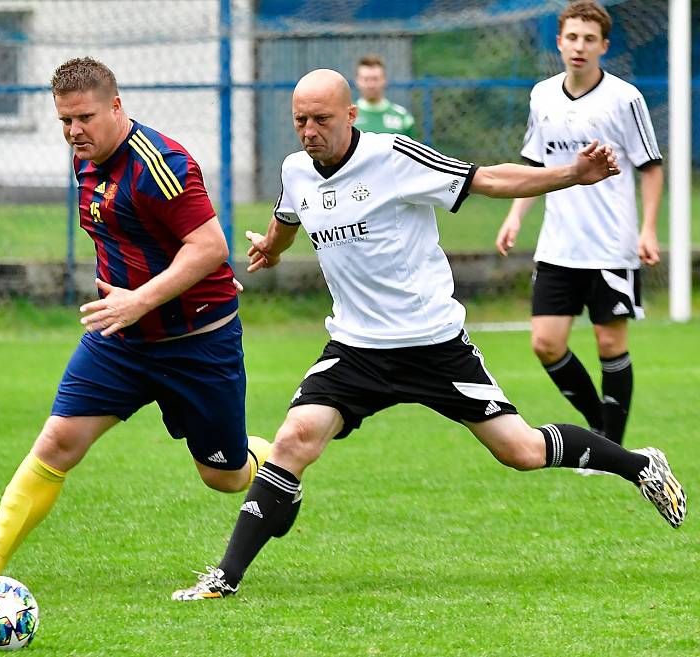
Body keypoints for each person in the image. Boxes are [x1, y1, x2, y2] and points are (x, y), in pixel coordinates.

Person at [170, 68, 685, 601]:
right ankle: (224, 579)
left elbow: (487, 179)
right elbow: (288, 214)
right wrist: (272, 250)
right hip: (356, 349)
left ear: (350, 116)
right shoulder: (297, 169)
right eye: (300, 120)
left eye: (322, 119)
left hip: (433, 345)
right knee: (294, 438)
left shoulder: (394, 156)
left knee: (521, 451)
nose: (309, 131)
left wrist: (570, 175)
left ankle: (640, 464)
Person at [0, 57, 270, 590]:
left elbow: (209, 245)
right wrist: (132, 300)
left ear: (116, 105)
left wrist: (153, 295)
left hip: (196, 344)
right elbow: (127, 236)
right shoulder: (85, 159)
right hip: (120, 339)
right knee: (58, 440)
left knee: (222, 476)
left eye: (84, 117)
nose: (73, 132)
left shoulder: (164, 165)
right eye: (64, 120)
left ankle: (274, 462)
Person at [495, 1, 663, 450]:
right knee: (546, 343)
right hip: (558, 247)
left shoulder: (625, 98)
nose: (579, 46)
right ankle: (600, 428)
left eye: (589, 39)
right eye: (572, 37)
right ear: (559, 42)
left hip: (612, 246)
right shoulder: (542, 95)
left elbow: (650, 166)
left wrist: (648, 229)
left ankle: (610, 442)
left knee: (610, 344)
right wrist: (514, 217)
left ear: (604, 46)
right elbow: (534, 165)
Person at [353, 54, 415, 137]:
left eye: (375, 79)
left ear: (384, 80)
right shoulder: (347, 116)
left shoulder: (403, 118)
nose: (371, 85)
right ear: (357, 81)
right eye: (366, 79)